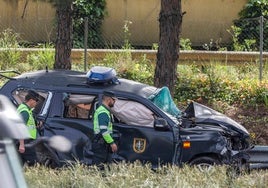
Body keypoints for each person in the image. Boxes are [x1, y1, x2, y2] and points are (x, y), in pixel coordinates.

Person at [92, 91, 118, 165]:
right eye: (114, 100)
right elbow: (104, 131)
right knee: (99, 168)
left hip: (102, 143)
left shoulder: (104, 110)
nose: (114, 102)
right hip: (101, 144)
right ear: (109, 100)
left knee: (104, 168)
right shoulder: (103, 112)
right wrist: (112, 143)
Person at [17, 89, 40, 165]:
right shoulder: (25, 112)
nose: (36, 103)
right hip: (25, 141)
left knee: (20, 163)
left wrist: (37, 124)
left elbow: (29, 125)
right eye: (36, 101)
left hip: (25, 140)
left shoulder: (26, 109)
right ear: (31, 100)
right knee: (34, 163)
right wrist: (22, 144)